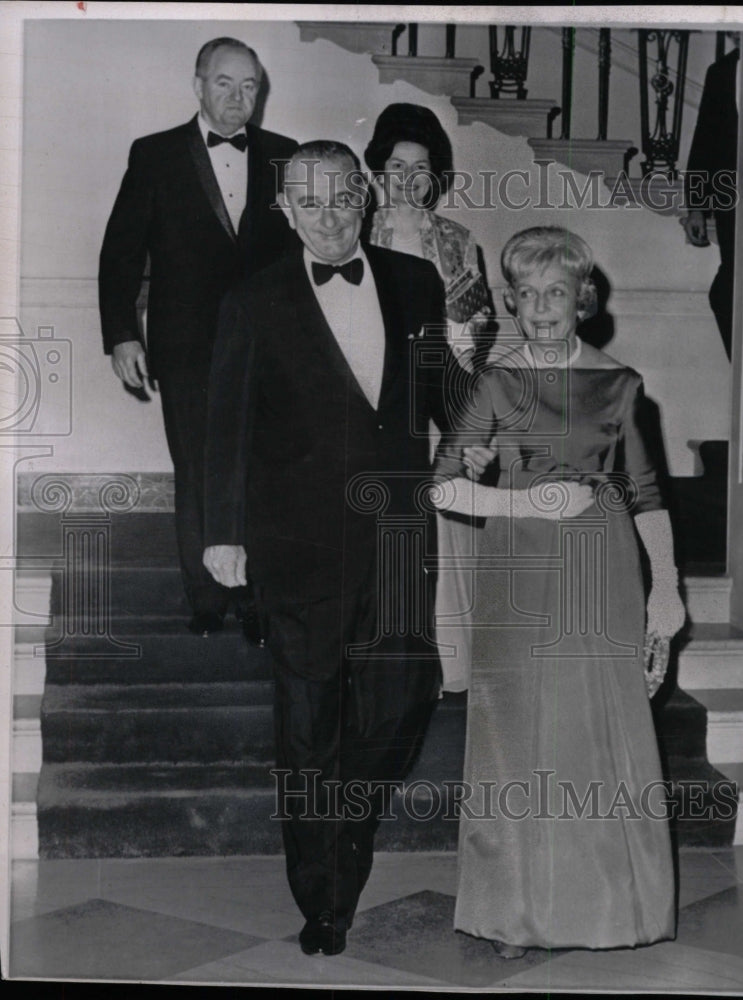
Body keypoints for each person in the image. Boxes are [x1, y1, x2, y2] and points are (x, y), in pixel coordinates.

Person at [202, 141, 468, 957]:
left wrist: (485, 438)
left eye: (341, 200)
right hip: (296, 544)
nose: (327, 218)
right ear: (284, 209)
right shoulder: (254, 298)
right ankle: (323, 897)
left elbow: (440, 387)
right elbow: (225, 425)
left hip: (395, 533)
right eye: (308, 203)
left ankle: (346, 820)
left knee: (404, 692)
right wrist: (221, 533)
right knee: (308, 724)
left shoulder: (414, 280)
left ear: (365, 199)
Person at [433, 227, 686, 956]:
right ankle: (514, 914)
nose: (541, 308)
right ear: (509, 302)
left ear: (582, 299)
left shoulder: (620, 384)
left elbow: (647, 496)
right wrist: (525, 504)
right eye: (526, 294)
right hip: (515, 569)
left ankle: (606, 911)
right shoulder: (497, 383)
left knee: (590, 735)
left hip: (599, 571)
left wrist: (664, 592)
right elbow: (442, 487)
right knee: (517, 737)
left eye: (556, 292)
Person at [99, 37, 297, 641]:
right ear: (198, 84)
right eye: (224, 84)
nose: (239, 99)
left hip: (267, 348)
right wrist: (123, 337)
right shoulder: (155, 155)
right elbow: (121, 254)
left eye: (250, 87)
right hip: (185, 346)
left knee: (261, 472)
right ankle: (207, 601)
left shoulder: (287, 156)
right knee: (197, 470)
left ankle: (257, 602)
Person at [364, 102, 493, 694]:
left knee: (441, 520)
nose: (408, 180)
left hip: (439, 392)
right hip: (369, 395)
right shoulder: (355, 230)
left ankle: (443, 665)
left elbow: (473, 334)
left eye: (421, 168)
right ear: (377, 169)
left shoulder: (458, 241)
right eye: (396, 165)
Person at [682, 36, 740, 361]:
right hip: (731, 199)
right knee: (725, 291)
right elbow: (704, 138)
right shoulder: (721, 71)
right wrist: (696, 208)